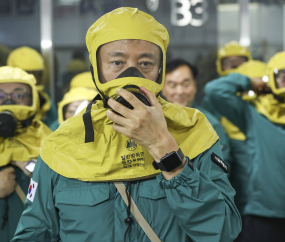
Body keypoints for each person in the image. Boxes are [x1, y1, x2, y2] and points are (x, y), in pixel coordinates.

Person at [12, 8, 241, 242]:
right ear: (96, 69)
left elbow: (222, 231)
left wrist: (164, 147)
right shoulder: (61, 145)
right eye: (117, 62)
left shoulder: (194, 130)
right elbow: (34, 232)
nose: (131, 74)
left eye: (145, 63)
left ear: (159, 69)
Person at [205, 52, 285, 242]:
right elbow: (215, 90)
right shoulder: (254, 116)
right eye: (283, 76)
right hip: (263, 214)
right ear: (272, 77)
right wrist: (249, 82)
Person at [0, 66, 51, 242]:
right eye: (0, 96)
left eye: (18, 95)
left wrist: (33, 171)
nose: (7, 102)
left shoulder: (50, 142)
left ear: (34, 99)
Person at [162, 59, 232, 170]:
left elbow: (221, 170)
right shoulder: (156, 122)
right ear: (163, 89)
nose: (180, 91)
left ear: (194, 86)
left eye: (185, 84)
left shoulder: (211, 124)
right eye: (172, 85)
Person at [7, 46, 58, 127]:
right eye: (27, 73)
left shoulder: (46, 102)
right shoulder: (5, 100)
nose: (34, 79)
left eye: (38, 74)